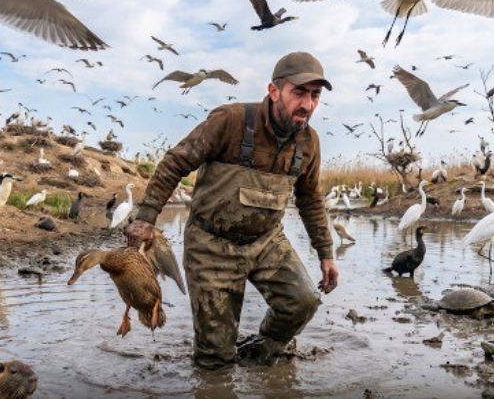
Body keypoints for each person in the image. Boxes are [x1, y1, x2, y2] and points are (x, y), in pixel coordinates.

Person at [126, 51, 339, 369]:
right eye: (299, 93)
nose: (307, 104)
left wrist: (326, 252)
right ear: (274, 91)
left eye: (315, 95)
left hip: (267, 242)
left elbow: (309, 198)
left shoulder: (309, 142)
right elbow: (175, 163)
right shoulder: (231, 121)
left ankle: (263, 348)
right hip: (212, 246)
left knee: (303, 300)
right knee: (215, 360)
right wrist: (145, 218)